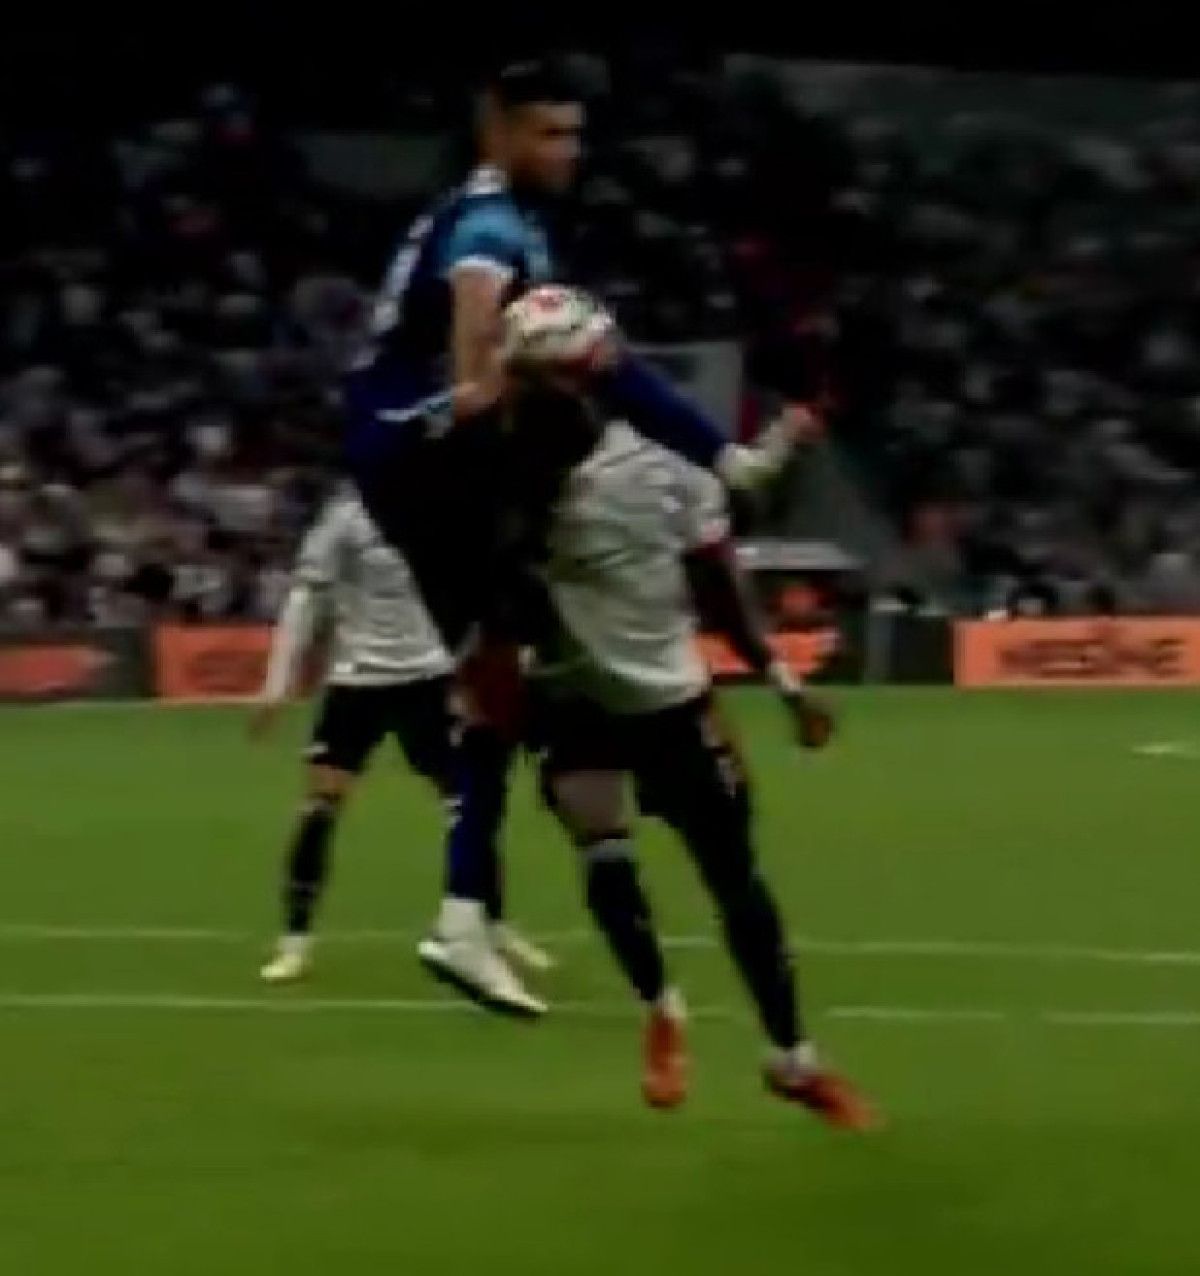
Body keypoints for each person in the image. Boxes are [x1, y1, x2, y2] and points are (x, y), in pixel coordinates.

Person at [343, 59, 803, 1015]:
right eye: (549, 134)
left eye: (574, 134)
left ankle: (471, 905)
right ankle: (464, 912)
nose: (568, 152)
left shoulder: (495, 216)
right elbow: (475, 306)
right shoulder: (489, 222)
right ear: (499, 131)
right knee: (580, 347)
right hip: (416, 448)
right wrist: (477, 388)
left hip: (400, 447)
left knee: (498, 681)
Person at [507, 380, 873, 1126]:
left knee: (733, 878)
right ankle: (662, 1010)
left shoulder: (663, 474)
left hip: (672, 705)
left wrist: (784, 683)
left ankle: (792, 1057)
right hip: (573, 697)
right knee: (603, 849)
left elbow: (720, 593)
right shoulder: (509, 488)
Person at [249, 486, 549, 1009]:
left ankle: (491, 928)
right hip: (357, 681)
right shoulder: (344, 517)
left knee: (468, 806)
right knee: (321, 806)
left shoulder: (441, 510)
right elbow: (305, 600)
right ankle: (295, 943)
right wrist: (277, 685)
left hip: (428, 679)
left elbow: (478, 591)